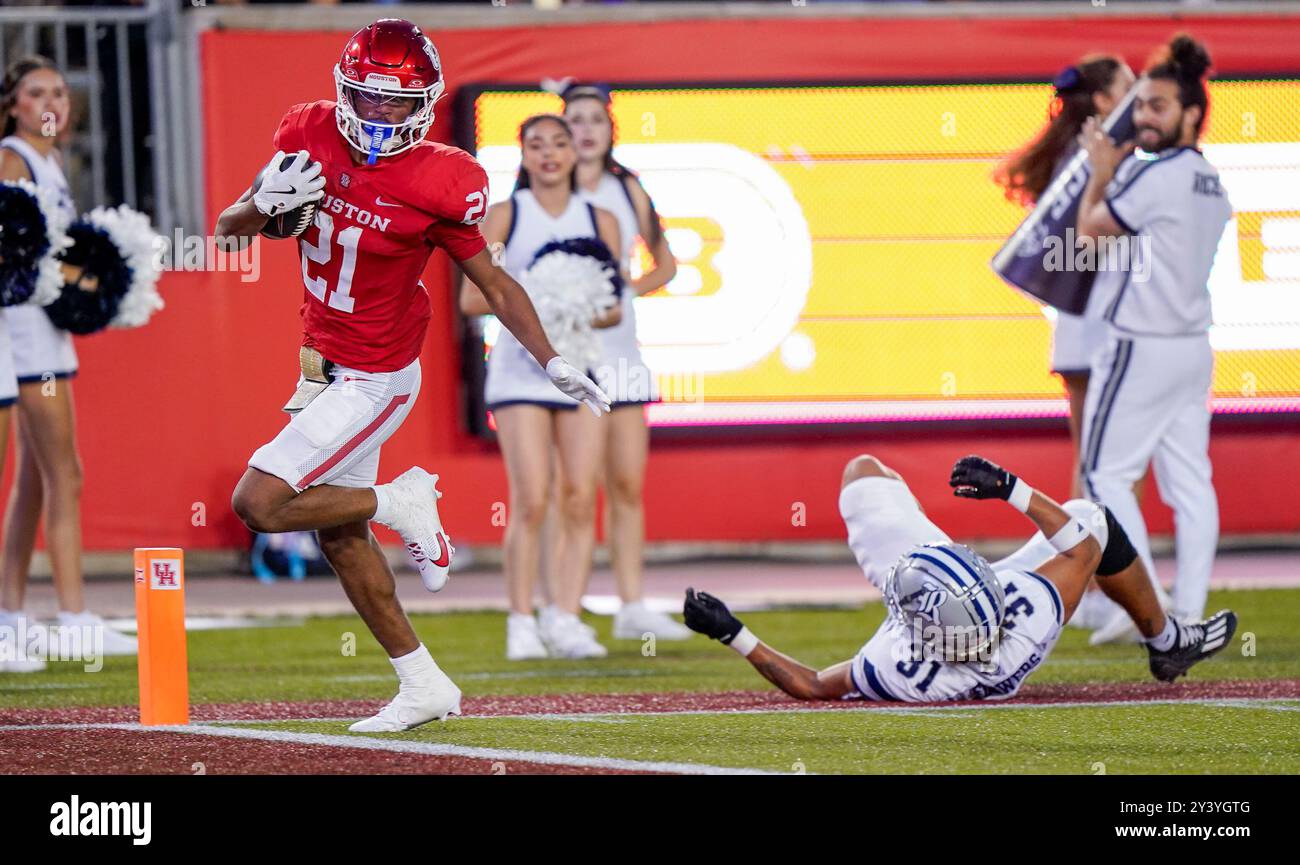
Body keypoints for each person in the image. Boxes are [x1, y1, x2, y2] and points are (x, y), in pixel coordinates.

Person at [215, 20, 609, 732]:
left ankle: (397, 501)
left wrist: (552, 359)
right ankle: (423, 684)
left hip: (376, 376)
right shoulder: (306, 132)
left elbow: (491, 278)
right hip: (321, 366)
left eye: (400, 104)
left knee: (261, 502)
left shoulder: (442, 178)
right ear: (343, 92)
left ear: (425, 106)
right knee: (338, 536)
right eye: (368, 99)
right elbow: (228, 229)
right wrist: (261, 207)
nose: (382, 115)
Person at [683, 454, 1236, 702]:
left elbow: (811, 685)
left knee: (863, 475)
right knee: (1091, 517)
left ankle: (1165, 640)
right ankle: (1166, 641)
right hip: (972, 606)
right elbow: (1085, 546)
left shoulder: (897, 667)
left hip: (946, 605)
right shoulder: (1028, 609)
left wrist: (733, 633)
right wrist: (1011, 489)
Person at [1075, 34, 1232, 644]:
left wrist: (1100, 174)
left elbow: (1089, 232)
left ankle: (1152, 608)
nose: (1143, 117)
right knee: (1190, 482)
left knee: (1105, 476)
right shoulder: (1211, 181)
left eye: (1158, 106)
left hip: (1142, 345)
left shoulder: (1158, 176)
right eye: (1141, 104)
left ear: (1191, 113)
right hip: (1192, 346)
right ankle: (1187, 611)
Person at [460, 113, 622, 661]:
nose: (550, 154)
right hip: (519, 370)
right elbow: (471, 300)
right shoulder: (505, 215)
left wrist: (578, 309)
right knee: (531, 498)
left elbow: (613, 307)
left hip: (580, 371)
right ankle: (520, 619)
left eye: (560, 143)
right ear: (522, 156)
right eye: (536, 145)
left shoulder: (600, 219)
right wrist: (539, 302)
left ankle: (567, 616)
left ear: (576, 153)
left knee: (579, 495)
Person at [0, 55, 138, 673]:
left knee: (35, 478)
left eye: (60, 90)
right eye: (37, 93)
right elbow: (14, 254)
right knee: (65, 473)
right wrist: (85, 277)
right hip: (23, 331)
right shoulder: (13, 157)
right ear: (14, 104)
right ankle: (74, 619)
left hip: (43, 329)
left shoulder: (50, 159)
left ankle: (12, 614)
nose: (53, 101)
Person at [996, 54, 1140, 631]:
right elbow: (1099, 244)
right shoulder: (1094, 159)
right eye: (1129, 87)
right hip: (1100, 323)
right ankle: (1104, 586)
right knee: (1106, 464)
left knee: (1092, 460)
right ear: (1105, 100)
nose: (1138, 97)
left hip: (1075, 325)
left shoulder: (1064, 155)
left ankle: (1079, 582)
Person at [560, 84, 689, 642]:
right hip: (566, 359)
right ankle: (562, 606)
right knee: (572, 488)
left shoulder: (626, 187)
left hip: (622, 355)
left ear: (610, 129)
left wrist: (623, 292)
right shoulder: (543, 191)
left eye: (596, 120)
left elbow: (667, 264)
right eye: (576, 120)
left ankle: (632, 603)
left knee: (627, 484)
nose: (586, 130)